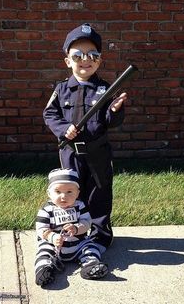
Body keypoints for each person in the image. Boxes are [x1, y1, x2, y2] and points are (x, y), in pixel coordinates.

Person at [43, 23, 127, 252]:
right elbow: (49, 114)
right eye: (77, 55)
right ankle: (72, 232)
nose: (85, 59)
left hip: (98, 152)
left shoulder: (105, 89)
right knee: (70, 193)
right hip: (71, 153)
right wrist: (63, 129)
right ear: (68, 61)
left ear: (99, 60)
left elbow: (111, 121)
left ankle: (100, 234)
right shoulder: (61, 90)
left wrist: (115, 111)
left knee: (98, 191)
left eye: (92, 55)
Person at [35, 168, 108, 287]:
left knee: (90, 248)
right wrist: (52, 237)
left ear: (77, 193)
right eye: (58, 192)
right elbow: (41, 229)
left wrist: (77, 228)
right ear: (49, 193)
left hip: (78, 244)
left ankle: (90, 267)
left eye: (69, 192)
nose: (63, 196)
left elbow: (87, 222)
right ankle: (44, 271)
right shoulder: (46, 210)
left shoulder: (80, 206)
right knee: (43, 252)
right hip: (54, 246)